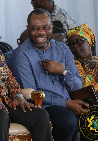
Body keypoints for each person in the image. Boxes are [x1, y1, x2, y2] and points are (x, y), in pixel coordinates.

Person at [9, 8, 88, 141]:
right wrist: (67, 103)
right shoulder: (21, 55)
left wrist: (63, 71)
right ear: (28, 29)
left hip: (70, 101)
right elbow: (32, 94)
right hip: (43, 107)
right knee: (68, 120)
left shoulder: (62, 48)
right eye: (35, 28)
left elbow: (78, 85)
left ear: (52, 27)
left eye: (46, 28)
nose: (41, 33)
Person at [67, 23, 98, 112]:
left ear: (89, 41)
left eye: (79, 41)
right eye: (71, 43)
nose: (75, 46)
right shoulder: (75, 65)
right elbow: (93, 90)